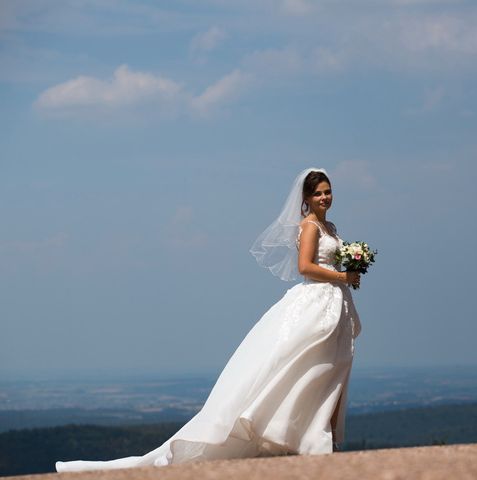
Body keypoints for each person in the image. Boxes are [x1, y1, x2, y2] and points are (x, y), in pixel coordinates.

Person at [55, 167, 362, 472]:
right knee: (311, 369)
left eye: (327, 191)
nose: (324, 197)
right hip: (315, 304)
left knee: (333, 369)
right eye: (318, 193)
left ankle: (324, 438)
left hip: (333, 304)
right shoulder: (309, 226)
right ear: (307, 198)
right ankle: (309, 437)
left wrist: (351, 273)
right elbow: (305, 267)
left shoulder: (330, 227)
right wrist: (342, 276)